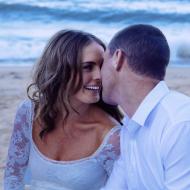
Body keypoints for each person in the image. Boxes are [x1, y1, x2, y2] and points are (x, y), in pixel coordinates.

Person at [4, 29, 123, 190]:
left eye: (101, 67)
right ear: (60, 70)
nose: (99, 76)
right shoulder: (29, 113)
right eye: (87, 67)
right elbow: (13, 175)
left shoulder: (112, 138)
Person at [100, 24, 190, 190]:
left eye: (101, 63)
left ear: (117, 58)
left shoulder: (179, 124)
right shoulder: (130, 123)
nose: (98, 75)